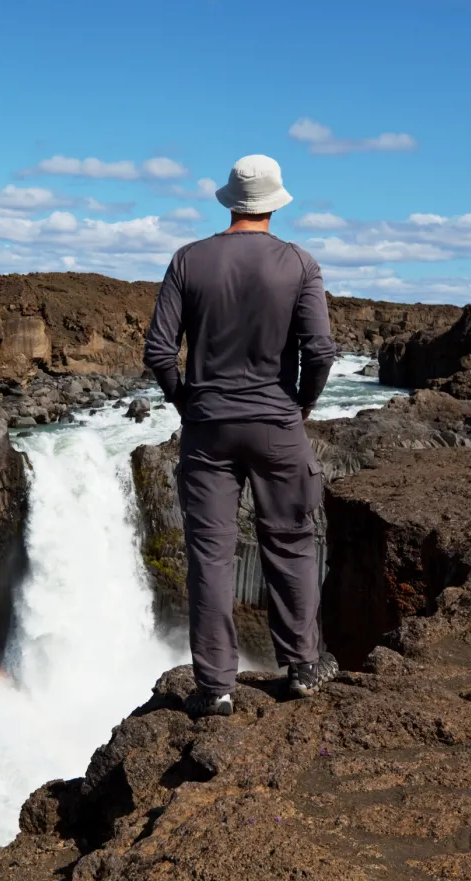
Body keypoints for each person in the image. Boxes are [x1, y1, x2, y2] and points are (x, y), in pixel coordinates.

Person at [143, 153, 339, 717]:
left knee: (210, 555)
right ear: (276, 204)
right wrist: (299, 404)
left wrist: (187, 401)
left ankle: (217, 687)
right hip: (277, 425)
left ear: (230, 201)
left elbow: (159, 351)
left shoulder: (189, 260)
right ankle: (302, 666)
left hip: (207, 429)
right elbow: (319, 351)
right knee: (291, 542)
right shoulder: (300, 263)